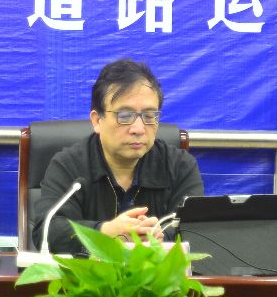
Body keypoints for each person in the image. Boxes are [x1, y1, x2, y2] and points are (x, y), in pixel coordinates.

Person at [30, 58, 204, 256]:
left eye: (149, 116)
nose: (138, 129)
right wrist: (105, 232)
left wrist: (160, 238)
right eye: (125, 116)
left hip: (157, 274)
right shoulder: (68, 165)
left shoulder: (180, 166)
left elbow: (199, 232)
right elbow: (47, 232)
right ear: (97, 120)